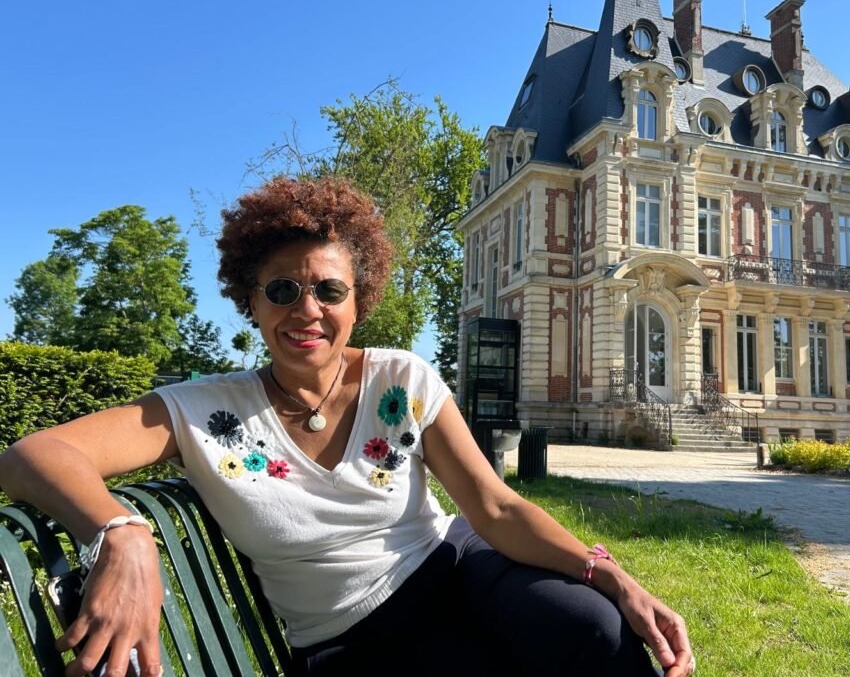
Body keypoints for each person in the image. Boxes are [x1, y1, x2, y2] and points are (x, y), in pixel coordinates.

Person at [0, 176, 696, 677]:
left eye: (329, 290)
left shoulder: (402, 378)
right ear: (250, 302)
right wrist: (121, 534)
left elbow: (495, 507)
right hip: (353, 641)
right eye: (282, 289)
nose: (306, 309)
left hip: (459, 568)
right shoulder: (199, 411)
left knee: (594, 628)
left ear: (359, 302)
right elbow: (32, 454)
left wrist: (612, 578)